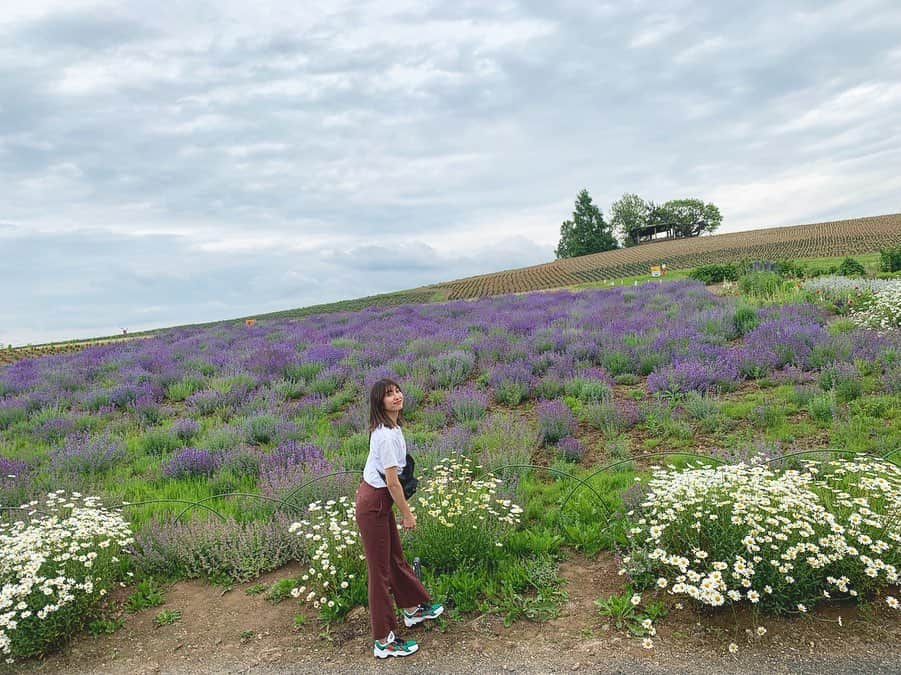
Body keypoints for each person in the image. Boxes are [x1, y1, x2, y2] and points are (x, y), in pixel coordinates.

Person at [355, 378, 444, 658]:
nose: (396, 397)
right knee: (379, 574)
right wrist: (407, 514)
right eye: (388, 395)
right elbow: (393, 483)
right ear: (379, 403)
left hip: (379, 502)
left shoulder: (392, 428)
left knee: (395, 559)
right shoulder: (385, 436)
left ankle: (412, 608)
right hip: (375, 505)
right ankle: (384, 640)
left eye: (397, 391)